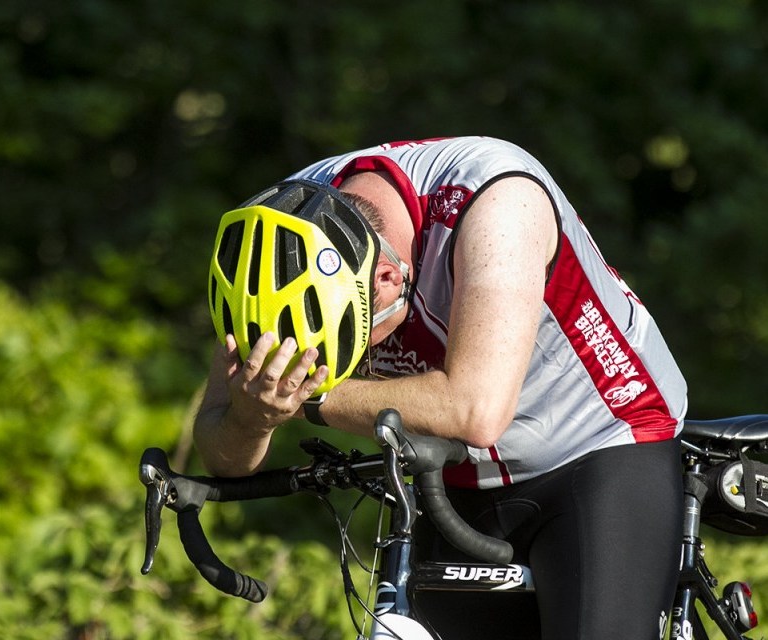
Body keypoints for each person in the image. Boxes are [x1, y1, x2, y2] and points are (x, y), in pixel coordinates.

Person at [194, 136, 687, 640]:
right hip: (456, 471)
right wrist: (252, 417)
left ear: (388, 277)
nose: (342, 361)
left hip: (600, 442)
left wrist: (305, 397)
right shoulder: (276, 241)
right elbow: (222, 450)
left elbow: (475, 411)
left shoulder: (499, 204)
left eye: (343, 338)